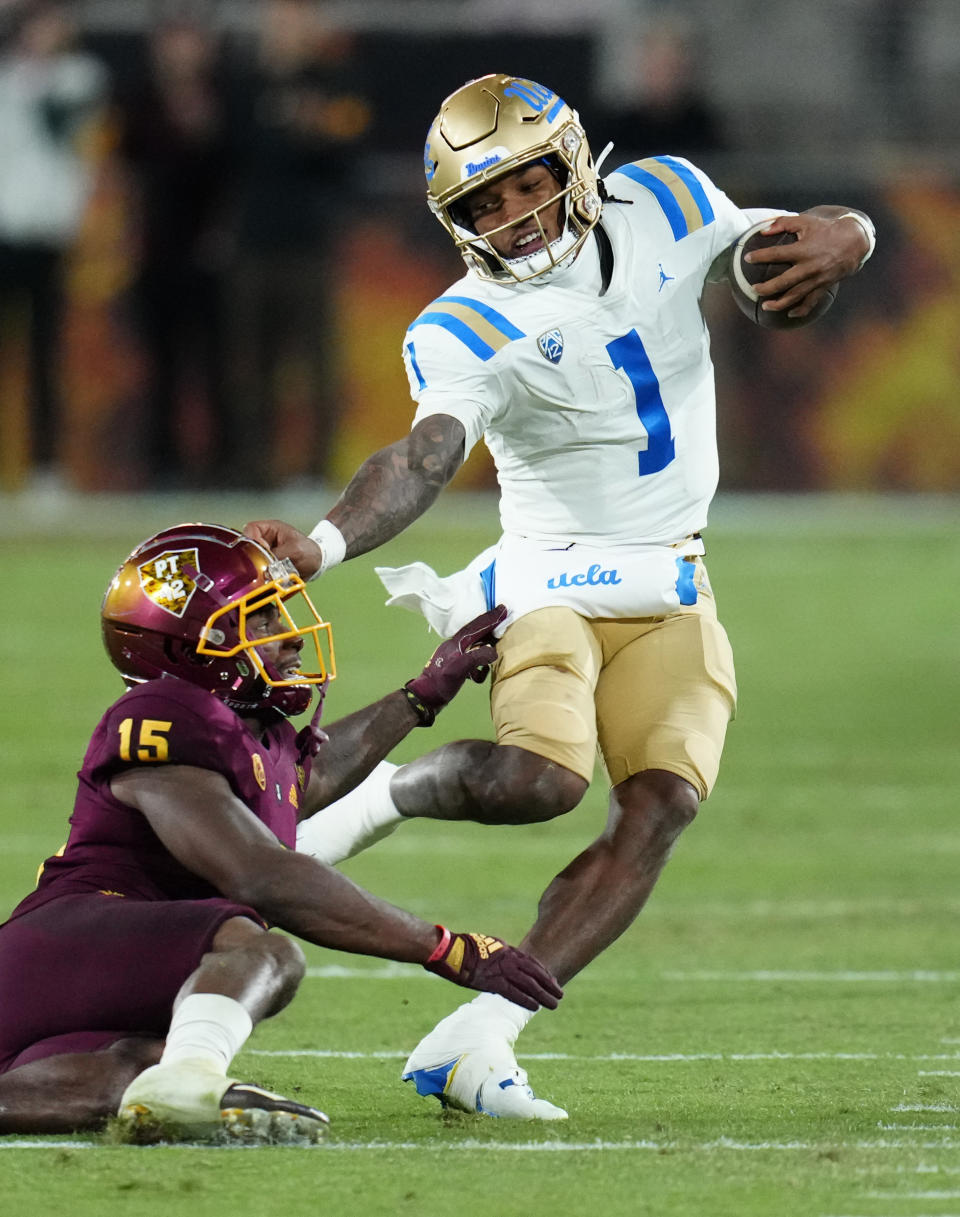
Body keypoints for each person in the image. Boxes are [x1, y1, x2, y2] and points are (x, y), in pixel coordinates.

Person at [245, 73, 877, 1120]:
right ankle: (380, 796)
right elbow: (422, 456)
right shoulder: (462, 324)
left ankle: (480, 1034)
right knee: (543, 780)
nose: (511, 218)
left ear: (576, 164)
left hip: (670, 568)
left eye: (524, 184)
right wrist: (320, 544)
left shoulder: (668, 195)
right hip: (548, 572)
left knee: (664, 801)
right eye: (480, 206)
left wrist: (844, 240)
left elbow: (804, 229)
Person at [0, 522, 561, 1143]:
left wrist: (421, 694)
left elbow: (303, 783)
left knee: (129, 1076)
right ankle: (189, 1077)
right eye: (261, 619)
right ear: (193, 644)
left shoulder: (244, 727)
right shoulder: (166, 713)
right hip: (65, 940)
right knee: (258, 950)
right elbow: (259, 873)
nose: (290, 636)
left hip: (95, 961)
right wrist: (445, 947)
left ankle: (174, 1078)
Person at [0, 0, 108, 489]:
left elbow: (59, 124)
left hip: (52, 237)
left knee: (47, 357)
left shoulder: (79, 77)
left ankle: (46, 468)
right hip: (6, 233)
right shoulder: (7, 77)